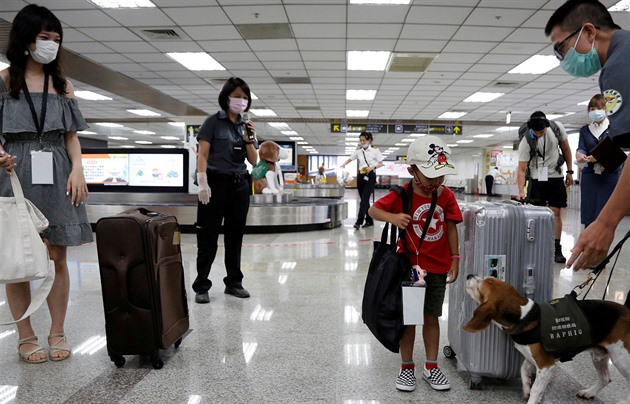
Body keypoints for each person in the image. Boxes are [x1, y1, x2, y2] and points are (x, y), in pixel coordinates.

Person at [0, 4, 92, 363]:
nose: (51, 44)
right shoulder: (6, 80)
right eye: (44, 37)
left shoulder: (63, 84)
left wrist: (78, 168)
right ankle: (25, 334)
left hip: (57, 170)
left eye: (56, 39)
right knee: (18, 256)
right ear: (25, 40)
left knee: (57, 255)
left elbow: (71, 135)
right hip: (14, 170)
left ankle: (58, 330)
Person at [368, 135, 462, 392]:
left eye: (440, 176)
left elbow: (451, 227)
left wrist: (455, 258)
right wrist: (394, 217)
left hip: (438, 268)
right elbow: (373, 211)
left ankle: (431, 367)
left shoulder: (446, 195)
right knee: (408, 320)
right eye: (431, 176)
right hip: (409, 269)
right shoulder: (402, 194)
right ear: (412, 171)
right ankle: (406, 367)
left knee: (432, 317)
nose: (437, 182)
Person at [545, 0, 630, 277]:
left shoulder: (619, 65)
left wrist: (605, 224)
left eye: (561, 48)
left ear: (589, 32)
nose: (562, 60)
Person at [192, 77, 258, 303]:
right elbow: (202, 154)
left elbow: (253, 159)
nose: (241, 101)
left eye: (245, 97)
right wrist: (202, 181)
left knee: (235, 235)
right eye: (237, 96)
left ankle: (234, 282)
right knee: (208, 236)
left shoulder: (245, 126)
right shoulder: (212, 122)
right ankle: (202, 285)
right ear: (227, 97)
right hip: (215, 184)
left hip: (240, 185)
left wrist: (250, 138)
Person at [517, 111, 574, 263]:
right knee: (537, 216)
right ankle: (538, 247)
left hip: (555, 177)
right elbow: (521, 169)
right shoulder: (526, 140)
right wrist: (521, 191)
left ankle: (556, 248)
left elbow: (567, 149)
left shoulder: (557, 129)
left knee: (555, 212)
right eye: (536, 132)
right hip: (536, 179)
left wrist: (569, 171)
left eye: (541, 132)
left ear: (546, 127)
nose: (539, 135)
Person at [575, 94, 620, 227]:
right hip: (590, 176)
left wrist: (600, 156)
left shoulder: (614, 128)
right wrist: (580, 155)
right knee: (589, 211)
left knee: (606, 214)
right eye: (592, 109)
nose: (595, 111)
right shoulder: (585, 130)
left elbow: (619, 151)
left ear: (606, 109)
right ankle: (588, 244)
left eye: (599, 108)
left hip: (609, 176)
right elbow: (581, 147)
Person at [340, 131, 384, 229]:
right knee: (364, 201)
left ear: (369, 140)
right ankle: (369, 220)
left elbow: (381, 163)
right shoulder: (358, 151)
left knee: (363, 201)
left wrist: (372, 167)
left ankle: (359, 222)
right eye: (361, 140)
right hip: (361, 176)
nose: (362, 142)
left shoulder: (375, 151)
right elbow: (351, 158)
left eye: (364, 140)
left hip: (370, 176)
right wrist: (344, 164)